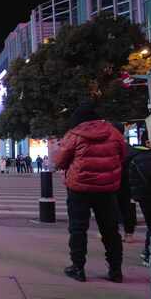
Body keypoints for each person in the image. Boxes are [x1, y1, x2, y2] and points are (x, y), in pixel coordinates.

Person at [55, 104, 125, 283]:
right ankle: (116, 271)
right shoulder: (113, 132)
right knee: (110, 229)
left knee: (78, 228)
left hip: (79, 188)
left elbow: (60, 161)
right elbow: (122, 155)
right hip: (107, 188)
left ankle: (78, 268)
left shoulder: (75, 135)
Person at [128, 129, 151, 266]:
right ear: (148, 142)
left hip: (148, 196)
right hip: (149, 197)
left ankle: (148, 252)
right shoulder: (145, 157)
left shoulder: (148, 155)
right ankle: (149, 254)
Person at [111, 122, 137, 244]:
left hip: (113, 181)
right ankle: (129, 234)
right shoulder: (130, 148)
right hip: (127, 183)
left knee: (111, 207)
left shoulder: (111, 147)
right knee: (127, 207)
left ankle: (113, 233)